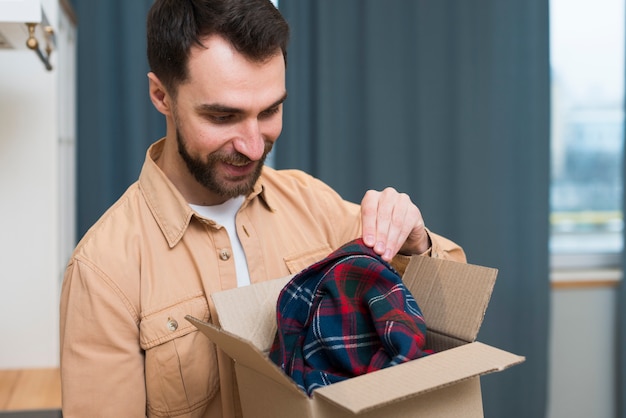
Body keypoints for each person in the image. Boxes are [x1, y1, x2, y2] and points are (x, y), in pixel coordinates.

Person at [59, 0, 466, 417]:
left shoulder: (312, 203)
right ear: (161, 95)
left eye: (270, 110)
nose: (254, 146)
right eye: (223, 116)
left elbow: (449, 315)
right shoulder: (104, 270)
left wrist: (416, 244)